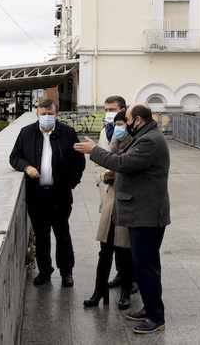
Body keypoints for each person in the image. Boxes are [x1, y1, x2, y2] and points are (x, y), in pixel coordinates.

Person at [74, 103, 170, 335]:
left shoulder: (150, 141)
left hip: (146, 215)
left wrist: (94, 150)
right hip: (141, 212)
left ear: (137, 120)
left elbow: (123, 162)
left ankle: (156, 317)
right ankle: (150, 308)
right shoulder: (147, 136)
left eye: (127, 119)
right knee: (146, 265)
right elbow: (131, 167)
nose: (125, 124)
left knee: (146, 267)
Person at [9, 99, 86, 288]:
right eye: (42, 114)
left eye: (50, 114)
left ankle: (66, 272)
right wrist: (26, 167)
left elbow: (79, 160)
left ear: (56, 114)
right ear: (37, 115)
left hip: (60, 195)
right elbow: (14, 157)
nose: (46, 117)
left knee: (62, 234)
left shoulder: (67, 133)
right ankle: (45, 270)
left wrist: (70, 183)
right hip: (37, 196)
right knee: (42, 236)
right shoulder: (26, 133)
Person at [84, 109, 135, 310]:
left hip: (126, 201)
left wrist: (116, 174)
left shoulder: (136, 143)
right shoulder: (114, 142)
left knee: (124, 250)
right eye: (118, 124)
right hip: (111, 199)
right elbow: (109, 164)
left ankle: (125, 292)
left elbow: (128, 167)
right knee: (105, 250)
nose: (120, 128)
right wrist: (106, 176)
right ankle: (99, 291)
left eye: (123, 123)